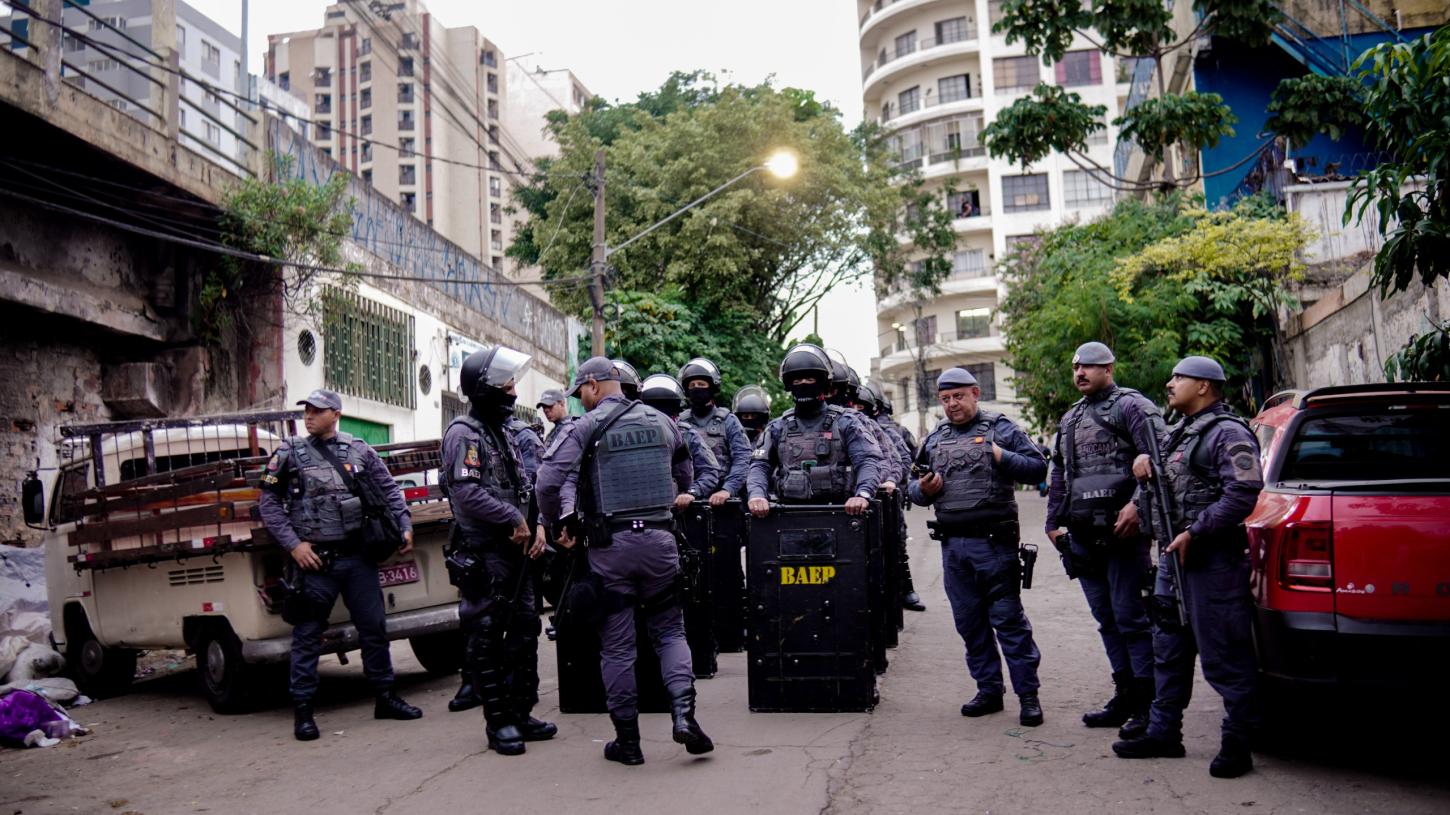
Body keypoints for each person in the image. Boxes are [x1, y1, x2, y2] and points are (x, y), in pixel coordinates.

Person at [535, 356, 713, 765]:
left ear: (594, 386)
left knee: (617, 647)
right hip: (661, 542)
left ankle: (628, 743)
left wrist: (557, 523)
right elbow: (685, 472)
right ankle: (685, 716)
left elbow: (547, 481)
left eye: (580, 391)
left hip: (610, 548)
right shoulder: (662, 421)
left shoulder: (585, 427)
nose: (579, 399)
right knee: (670, 632)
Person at [1113, 356, 1264, 779]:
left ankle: (1238, 744)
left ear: (1204, 386)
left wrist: (1196, 532)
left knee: (1224, 655)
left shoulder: (1230, 433)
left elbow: (1244, 493)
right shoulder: (1177, 432)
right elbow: (1165, 482)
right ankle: (1164, 733)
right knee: (1169, 650)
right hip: (1172, 560)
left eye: (1179, 377)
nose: (1170, 382)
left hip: (1211, 561)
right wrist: (1143, 467)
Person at [258, 388, 422, 741]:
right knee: (307, 638)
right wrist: (294, 545)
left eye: (317, 411)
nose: (308, 416)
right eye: (306, 411)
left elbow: (389, 490)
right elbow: (268, 503)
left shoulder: (359, 449)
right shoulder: (289, 453)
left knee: (375, 630)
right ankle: (303, 712)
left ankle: (385, 697)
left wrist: (404, 524)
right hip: (316, 562)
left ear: (335, 413)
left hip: (358, 558)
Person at [907, 367, 1048, 727]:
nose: (952, 404)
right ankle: (989, 691)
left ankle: (1028, 697)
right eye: (945, 399)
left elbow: (1038, 469)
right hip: (953, 549)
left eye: (958, 396)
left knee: (1008, 623)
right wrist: (924, 490)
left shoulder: (1001, 428)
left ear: (975, 393)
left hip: (995, 547)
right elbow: (912, 486)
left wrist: (1001, 456)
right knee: (969, 624)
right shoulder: (935, 437)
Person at [1045, 342, 1165, 740]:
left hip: (1124, 534)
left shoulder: (1132, 406)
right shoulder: (1071, 417)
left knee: (1131, 618)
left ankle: (1149, 705)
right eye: (1076, 366)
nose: (1080, 372)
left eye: (1089, 367)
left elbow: (1160, 460)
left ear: (1109, 368)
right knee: (1107, 621)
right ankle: (1125, 695)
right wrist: (1053, 522)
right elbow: (1060, 471)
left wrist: (1138, 506)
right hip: (1082, 535)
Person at [438, 346, 554, 755]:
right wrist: (512, 519)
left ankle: (522, 712)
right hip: (485, 554)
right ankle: (499, 722)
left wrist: (537, 523)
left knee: (525, 629)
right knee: (486, 635)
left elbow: (527, 486)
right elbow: (467, 493)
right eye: (506, 386)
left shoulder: (504, 431)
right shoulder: (464, 434)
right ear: (485, 390)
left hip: (517, 552)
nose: (514, 393)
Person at [746, 343, 886, 517]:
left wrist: (863, 494)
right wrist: (757, 495)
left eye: (810, 380)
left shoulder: (846, 422)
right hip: (789, 517)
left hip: (840, 514)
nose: (803, 384)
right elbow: (760, 466)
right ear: (789, 385)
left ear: (823, 383)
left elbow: (867, 460)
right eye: (797, 380)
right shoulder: (777, 427)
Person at [856, 379, 927, 612]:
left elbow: (906, 459)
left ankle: (905, 590)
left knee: (895, 545)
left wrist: (893, 482)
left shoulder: (888, 431)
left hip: (885, 498)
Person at [678, 357, 754, 508]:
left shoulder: (728, 420)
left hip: (722, 499)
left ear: (712, 387)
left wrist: (728, 489)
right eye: (692, 385)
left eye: (701, 384)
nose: (696, 388)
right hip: (686, 499)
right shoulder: (679, 422)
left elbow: (742, 458)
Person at [639, 373, 722, 504]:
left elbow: (710, 472)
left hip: (678, 507)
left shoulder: (686, 434)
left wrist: (691, 493)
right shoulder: (634, 433)